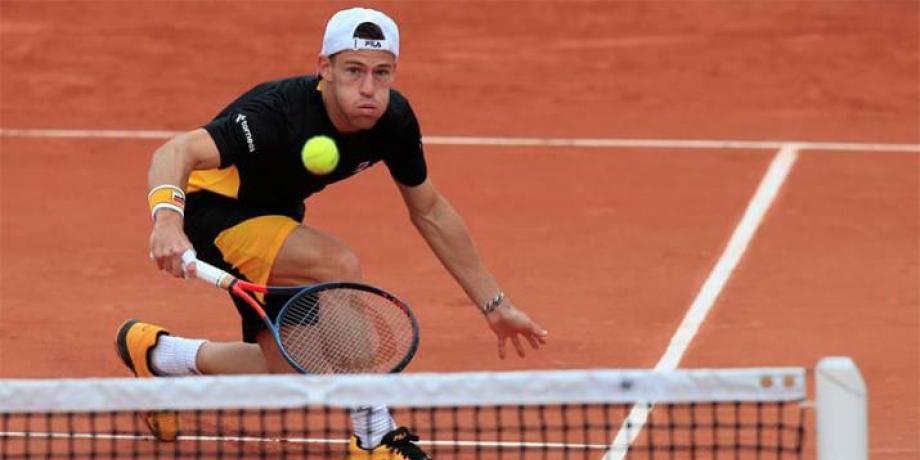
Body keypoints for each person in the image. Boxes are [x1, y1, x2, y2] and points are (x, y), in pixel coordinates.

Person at [115, 7, 548, 460]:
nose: (369, 88)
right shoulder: (276, 113)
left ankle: (159, 357)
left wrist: (495, 304)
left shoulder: (393, 121)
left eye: (382, 73)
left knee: (298, 372)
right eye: (354, 71)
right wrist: (167, 221)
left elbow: (430, 210)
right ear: (325, 68)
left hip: (276, 220)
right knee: (337, 265)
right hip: (213, 211)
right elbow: (175, 151)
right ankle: (374, 435)